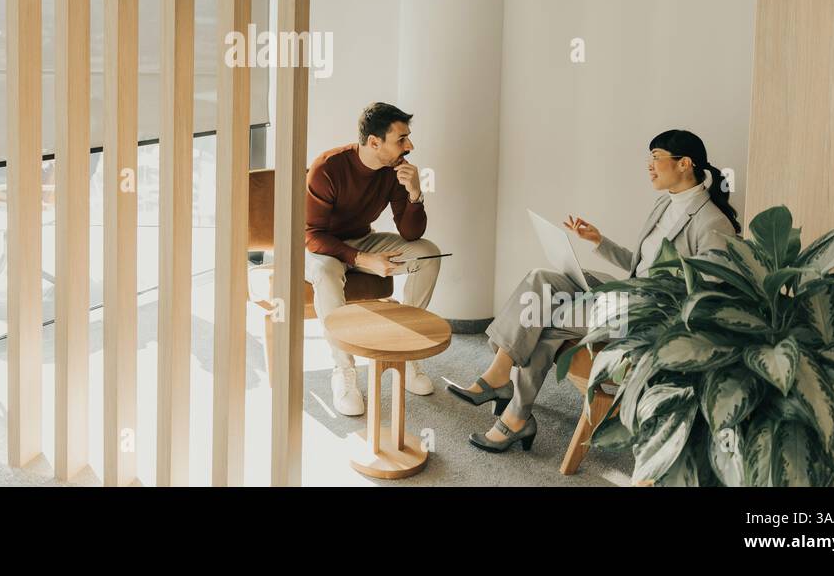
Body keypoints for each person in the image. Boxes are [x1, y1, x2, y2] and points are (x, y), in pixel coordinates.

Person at [450, 129, 741, 453]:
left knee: (547, 317)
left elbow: (710, 288)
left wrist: (657, 296)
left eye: (656, 158)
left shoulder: (712, 222)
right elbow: (641, 263)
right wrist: (599, 242)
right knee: (540, 280)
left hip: (650, 312)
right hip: (629, 290)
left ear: (684, 163)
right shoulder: (664, 205)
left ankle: (516, 415)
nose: (649, 166)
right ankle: (498, 375)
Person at [306, 102, 443, 416]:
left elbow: (411, 234)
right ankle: (343, 370)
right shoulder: (327, 167)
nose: (410, 146)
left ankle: (405, 351)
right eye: (401, 140)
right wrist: (362, 259)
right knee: (327, 271)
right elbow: (311, 233)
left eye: (408, 138)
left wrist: (414, 194)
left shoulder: (395, 171)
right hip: (319, 246)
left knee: (430, 253)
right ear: (373, 142)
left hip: (361, 238)